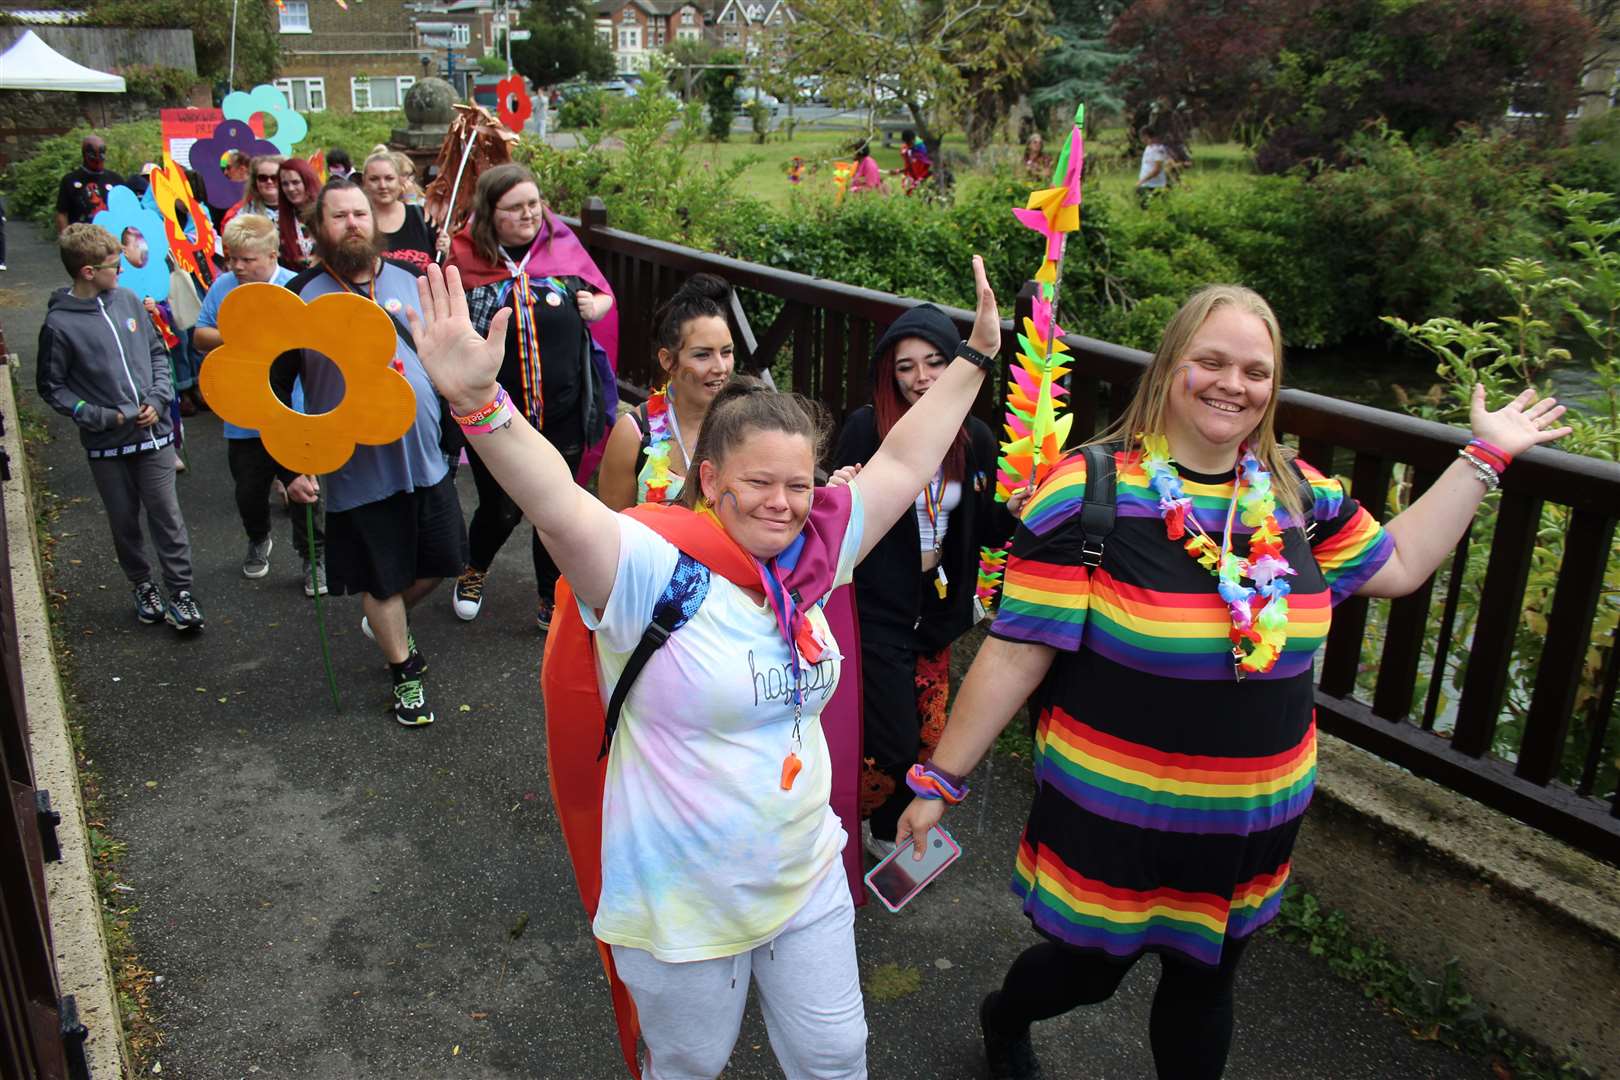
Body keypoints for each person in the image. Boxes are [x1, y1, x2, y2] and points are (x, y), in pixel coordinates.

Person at [892, 284, 1573, 1080]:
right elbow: (1015, 654)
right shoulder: (1090, 491)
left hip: (1248, 820)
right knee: (1088, 971)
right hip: (1117, 812)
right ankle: (1005, 1017)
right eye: (1210, 361)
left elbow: (1402, 565)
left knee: (1206, 982)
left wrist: (1483, 456)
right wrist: (941, 778)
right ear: (1170, 367)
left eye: (1256, 370)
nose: (1233, 384)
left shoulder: (1299, 496)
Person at [406, 248, 1005, 1080]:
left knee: (837, 1056)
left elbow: (905, 461)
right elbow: (553, 498)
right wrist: (477, 399)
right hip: (682, 901)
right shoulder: (650, 566)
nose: (784, 504)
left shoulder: (815, 553)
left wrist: (975, 356)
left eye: (800, 485)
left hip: (804, 876)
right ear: (711, 479)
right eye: (760, 482)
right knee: (691, 1065)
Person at [279, 180, 466, 727]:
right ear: (319, 228)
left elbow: (450, 358)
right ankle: (404, 672)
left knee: (445, 560)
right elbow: (271, 386)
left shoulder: (412, 280)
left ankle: (386, 619)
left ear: (377, 222)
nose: (353, 223)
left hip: (426, 456)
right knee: (380, 579)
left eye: (360, 213)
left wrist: (457, 431)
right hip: (356, 468)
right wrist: (290, 465)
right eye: (339, 216)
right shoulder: (298, 294)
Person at [832, 304, 1010, 860]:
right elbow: (837, 516)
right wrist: (841, 488)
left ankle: (891, 827)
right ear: (889, 373)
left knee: (929, 737)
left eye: (935, 362)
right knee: (891, 738)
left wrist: (1023, 507)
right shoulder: (867, 428)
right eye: (905, 367)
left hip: (936, 613)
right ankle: (874, 828)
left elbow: (985, 528)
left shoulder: (976, 437)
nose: (922, 378)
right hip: (878, 608)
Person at [444, 163, 615, 631]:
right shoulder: (464, 260)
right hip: (496, 414)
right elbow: (451, 334)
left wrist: (596, 305)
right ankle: (475, 568)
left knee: (558, 508)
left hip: (563, 411)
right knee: (499, 509)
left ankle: (551, 593)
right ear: (489, 213)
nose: (529, 214)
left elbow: (602, 296)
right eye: (515, 208)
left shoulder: (561, 247)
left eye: (534, 204)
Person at [36, 224, 204, 630]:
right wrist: (96, 416)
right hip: (107, 443)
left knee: (167, 513)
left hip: (155, 434)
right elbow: (51, 387)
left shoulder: (128, 301)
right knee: (124, 519)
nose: (122, 272)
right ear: (88, 272)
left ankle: (181, 591)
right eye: (114, 266)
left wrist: (159, 398)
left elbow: (157, 353)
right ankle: (142, 585)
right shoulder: (58, 326)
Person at [192, 214, 327, 594]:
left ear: (271, 255)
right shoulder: (222, 286)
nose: (237, 267)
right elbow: (200, 336)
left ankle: (313, 560)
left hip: (292, 410)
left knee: (305, 491)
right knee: (249, 491)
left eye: (246, 260)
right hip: (243, 412)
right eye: (231, 258)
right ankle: (258, 538)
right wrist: (238, 337)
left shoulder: (296, 287)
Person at [598, 274, 733, 512]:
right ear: (668, 360)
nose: (721, 367)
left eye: (726, 352)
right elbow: (615, 534)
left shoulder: (744, 424)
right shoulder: (634, 435)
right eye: (703, 355)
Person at [362, 148, 448, 274]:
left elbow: (441, 264)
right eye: (374, 179)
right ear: (364, 182)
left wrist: (447, 250)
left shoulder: (421, 216)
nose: (382, 185)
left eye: (389, 178)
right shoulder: (358, 221)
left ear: (399, 180)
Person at [55, 135, 126, 234]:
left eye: (100, 159)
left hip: (111, 237)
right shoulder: (70, 180)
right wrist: (65, 238)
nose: (98, 163)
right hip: (80, 237)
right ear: (85, 156)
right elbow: (62, 213)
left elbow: (125, 211)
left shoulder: (115, 179)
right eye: (93, 160)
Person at [276, 158, 321, 268]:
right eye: (285, 184)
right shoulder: (279, 223)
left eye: (295, 182)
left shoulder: (327, 214)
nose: (290, 189)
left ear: (308, 181)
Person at [224, 154, 283, 229]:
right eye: (263, 178)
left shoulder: (296, 209)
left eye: (275, 177)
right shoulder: (242, 214)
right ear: (255, 182)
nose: (269, 181)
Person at [1136, 126, 1171, 206]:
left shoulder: (1158, 149)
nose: (1141, 139)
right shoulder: (1148, 148)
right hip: (1146, 184)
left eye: (1141, 137)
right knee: (1144, 207)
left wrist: (1142, 180)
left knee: (1152, 207)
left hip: (1154, 185)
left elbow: (1157, 169)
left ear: (1146, 136)